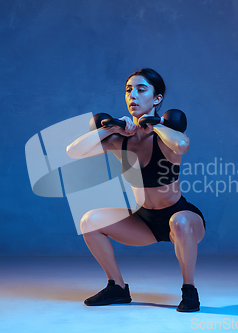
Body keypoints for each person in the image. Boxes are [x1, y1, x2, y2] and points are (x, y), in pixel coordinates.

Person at [66, 68, 206, 312]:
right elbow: (73, 151)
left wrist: (156, 123)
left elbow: (182, 144)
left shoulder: (166, 137)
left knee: (180, 223)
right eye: (129, 90)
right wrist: (109, 129)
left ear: (157, 99)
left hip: (181, 216)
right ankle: (117, 287)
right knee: (89, 221)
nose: (133, 96)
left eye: (141, 90)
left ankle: (189, 291)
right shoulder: (120, 140)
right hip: (144, 222)